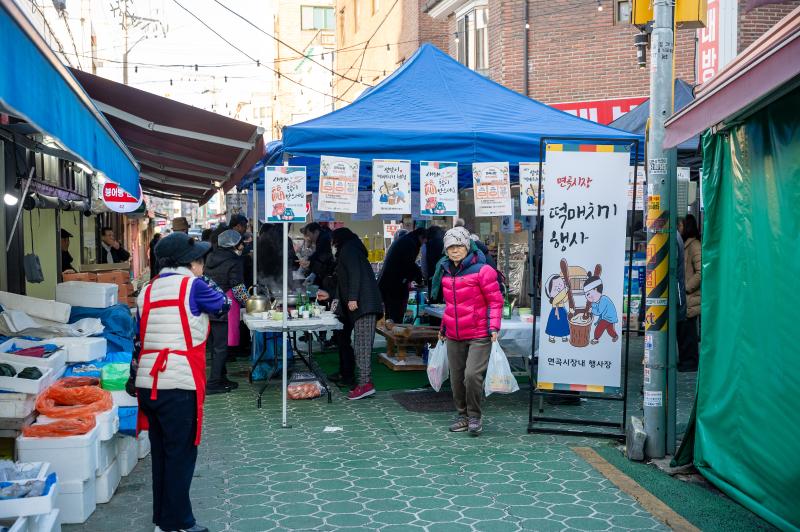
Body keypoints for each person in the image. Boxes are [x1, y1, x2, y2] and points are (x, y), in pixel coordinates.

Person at [135, 232, 227, 532]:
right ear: (189, 262)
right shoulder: (194, 286)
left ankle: (163, 520)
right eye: (199, 260)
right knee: (181, 455)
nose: (202, 265)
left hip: (148, 383)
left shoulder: (146, 291)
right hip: (179, 382)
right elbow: (223, 306)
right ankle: (179, 523)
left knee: (162, 454)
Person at [437, 227, 503, 436]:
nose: (455, 250)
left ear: (467, 247)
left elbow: (496, 300)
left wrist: (494, 326)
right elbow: (450, 305)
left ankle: (475, 416)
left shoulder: (483, 270)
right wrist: (443, 328)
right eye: (450, 247)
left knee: (472, 375)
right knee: (456, 378)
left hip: (479, 333)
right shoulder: (445, 271)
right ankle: (463, 416)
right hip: (454, 334)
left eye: (458, 246)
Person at [318, 228, 383, 399]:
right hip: (363, 305)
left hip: (364, 305)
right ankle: (364, 382)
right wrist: (331, 296)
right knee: (362, 346)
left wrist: (353, 298)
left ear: (338, 240)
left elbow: (355, 274)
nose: (332, 244)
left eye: (333, 241)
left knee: (362, 347)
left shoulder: (349, 250)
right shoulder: (351, 249)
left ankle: (365, 384)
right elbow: (345, 282)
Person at [203, 230, 249, 394]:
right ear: (234, 244)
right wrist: (248, 302)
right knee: (221, 347)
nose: (242, 246)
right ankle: (214, 382)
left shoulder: (210, 257)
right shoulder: (234, 260)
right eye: (241, 243)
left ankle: (222, 377)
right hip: (225, 305)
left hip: (209, 303)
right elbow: (237, 286)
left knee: (215, 344)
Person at [378, 228, 425, 323]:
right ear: (421, 237)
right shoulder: (410, 243)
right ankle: (394, 335)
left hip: (390, 284)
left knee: (390, 315)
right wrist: (419, 278)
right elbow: (409, 264)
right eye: (425, 240)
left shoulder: (406, 240)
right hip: (395, 286)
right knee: (396, 315)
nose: (424, 243)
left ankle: (391, 334)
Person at [678, 214, 701, 371]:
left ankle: (690, 362)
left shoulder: (694, 246)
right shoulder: (686, 244)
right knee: (684, 332)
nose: (679, 228)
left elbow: (701, 272)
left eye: (681, 225)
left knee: (689, 333)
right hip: (686, 298)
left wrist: (686, 287)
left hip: (690, 297)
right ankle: (686, 361)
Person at [423, 225, 445, 301]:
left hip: (432, 276)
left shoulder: (427, 244)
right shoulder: (446, 241)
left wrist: (425, 277)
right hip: (446, 276)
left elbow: (424, 264)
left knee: (434, 302)